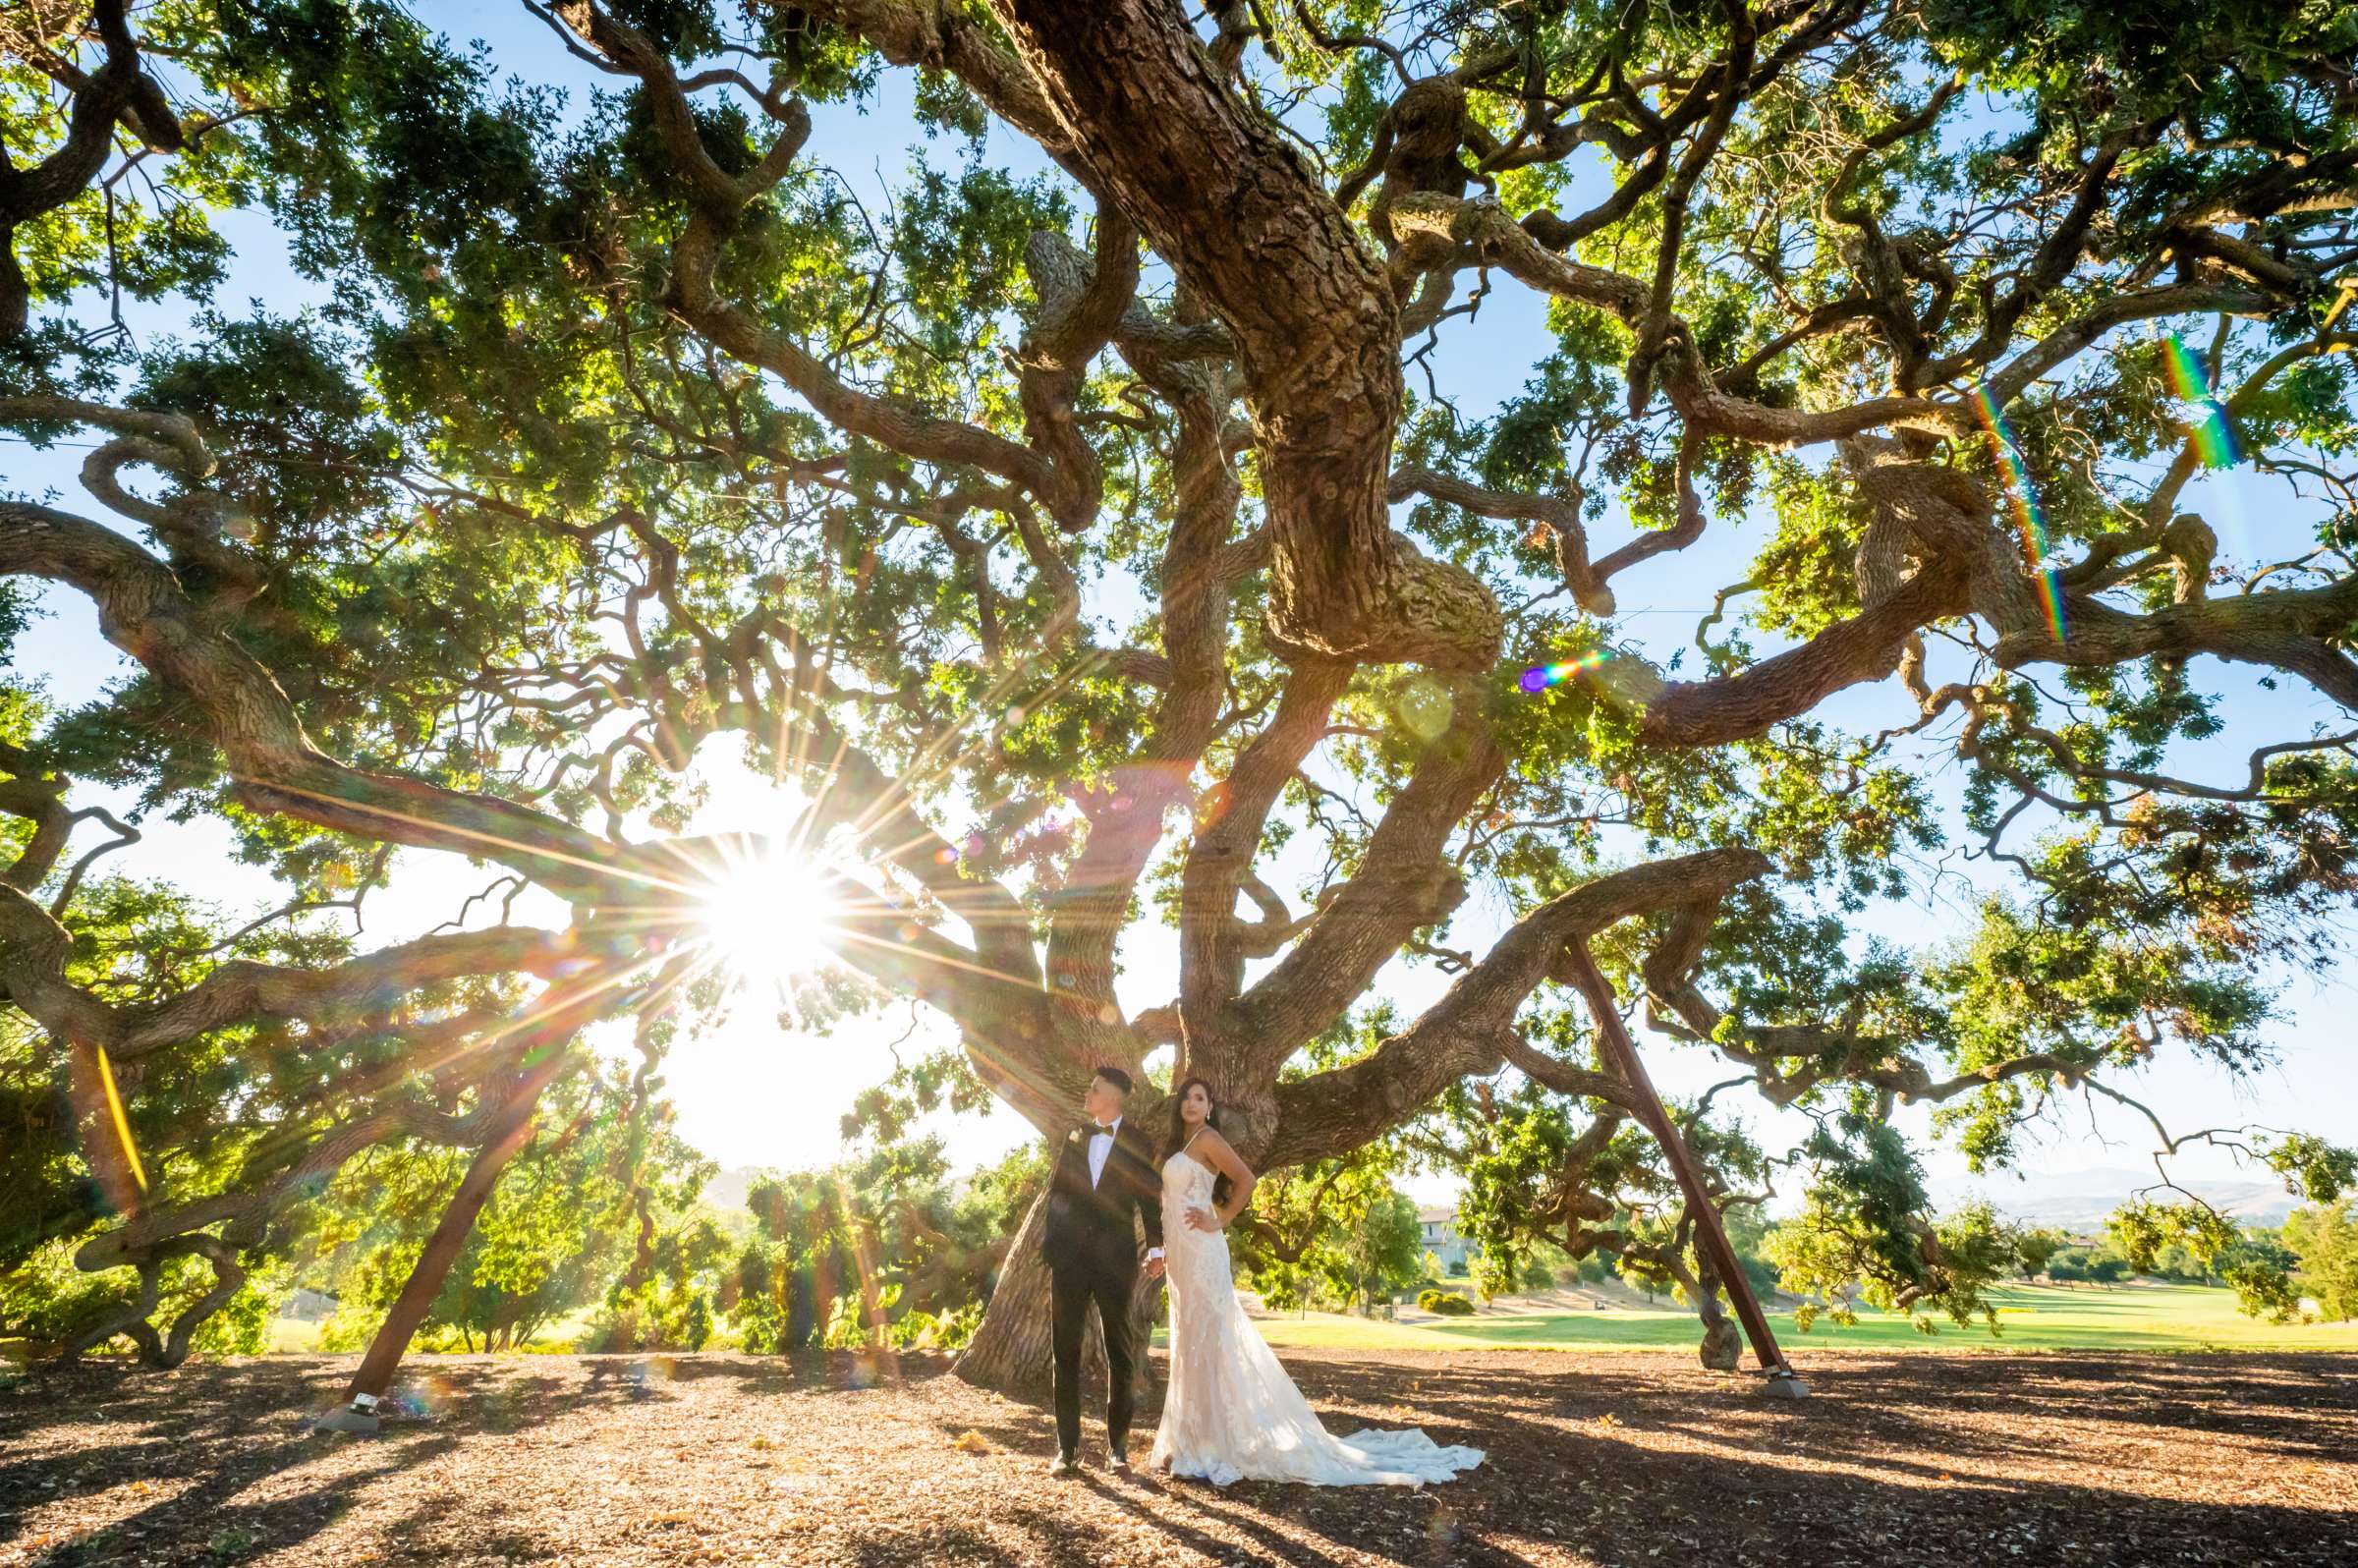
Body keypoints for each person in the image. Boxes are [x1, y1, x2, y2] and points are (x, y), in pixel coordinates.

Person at [1149, 1076, 1485, 1486]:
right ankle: (1187, 1441)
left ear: (1210, 1106)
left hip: (1203, 1252)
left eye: (1199, 1097)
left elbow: (1247, 1179)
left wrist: (1221, 1218)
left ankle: (1210, 1448)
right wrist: (1162, 1249)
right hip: (1180, 1259)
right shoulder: (1177, 1147)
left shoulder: (1207, 1138)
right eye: (1185, 1097)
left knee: (1209, 1341)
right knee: (1188, 1341)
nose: (1190, 1102)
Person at [1041, 1065, 1164, 1475]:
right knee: (1065, 1353)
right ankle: (1067, 1449)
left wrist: (1157, 1245)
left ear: (1113, 1096)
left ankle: (1118, 1450)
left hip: (1115, 1262)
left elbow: (1149, 1197)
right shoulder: (1076, 1135)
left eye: (1095, 1089)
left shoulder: (1137, 1141)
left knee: (1120, 1352)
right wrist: (1052, 1249)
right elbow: (1057, 1193)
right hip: (1069, 1262)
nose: (1088, 1094)